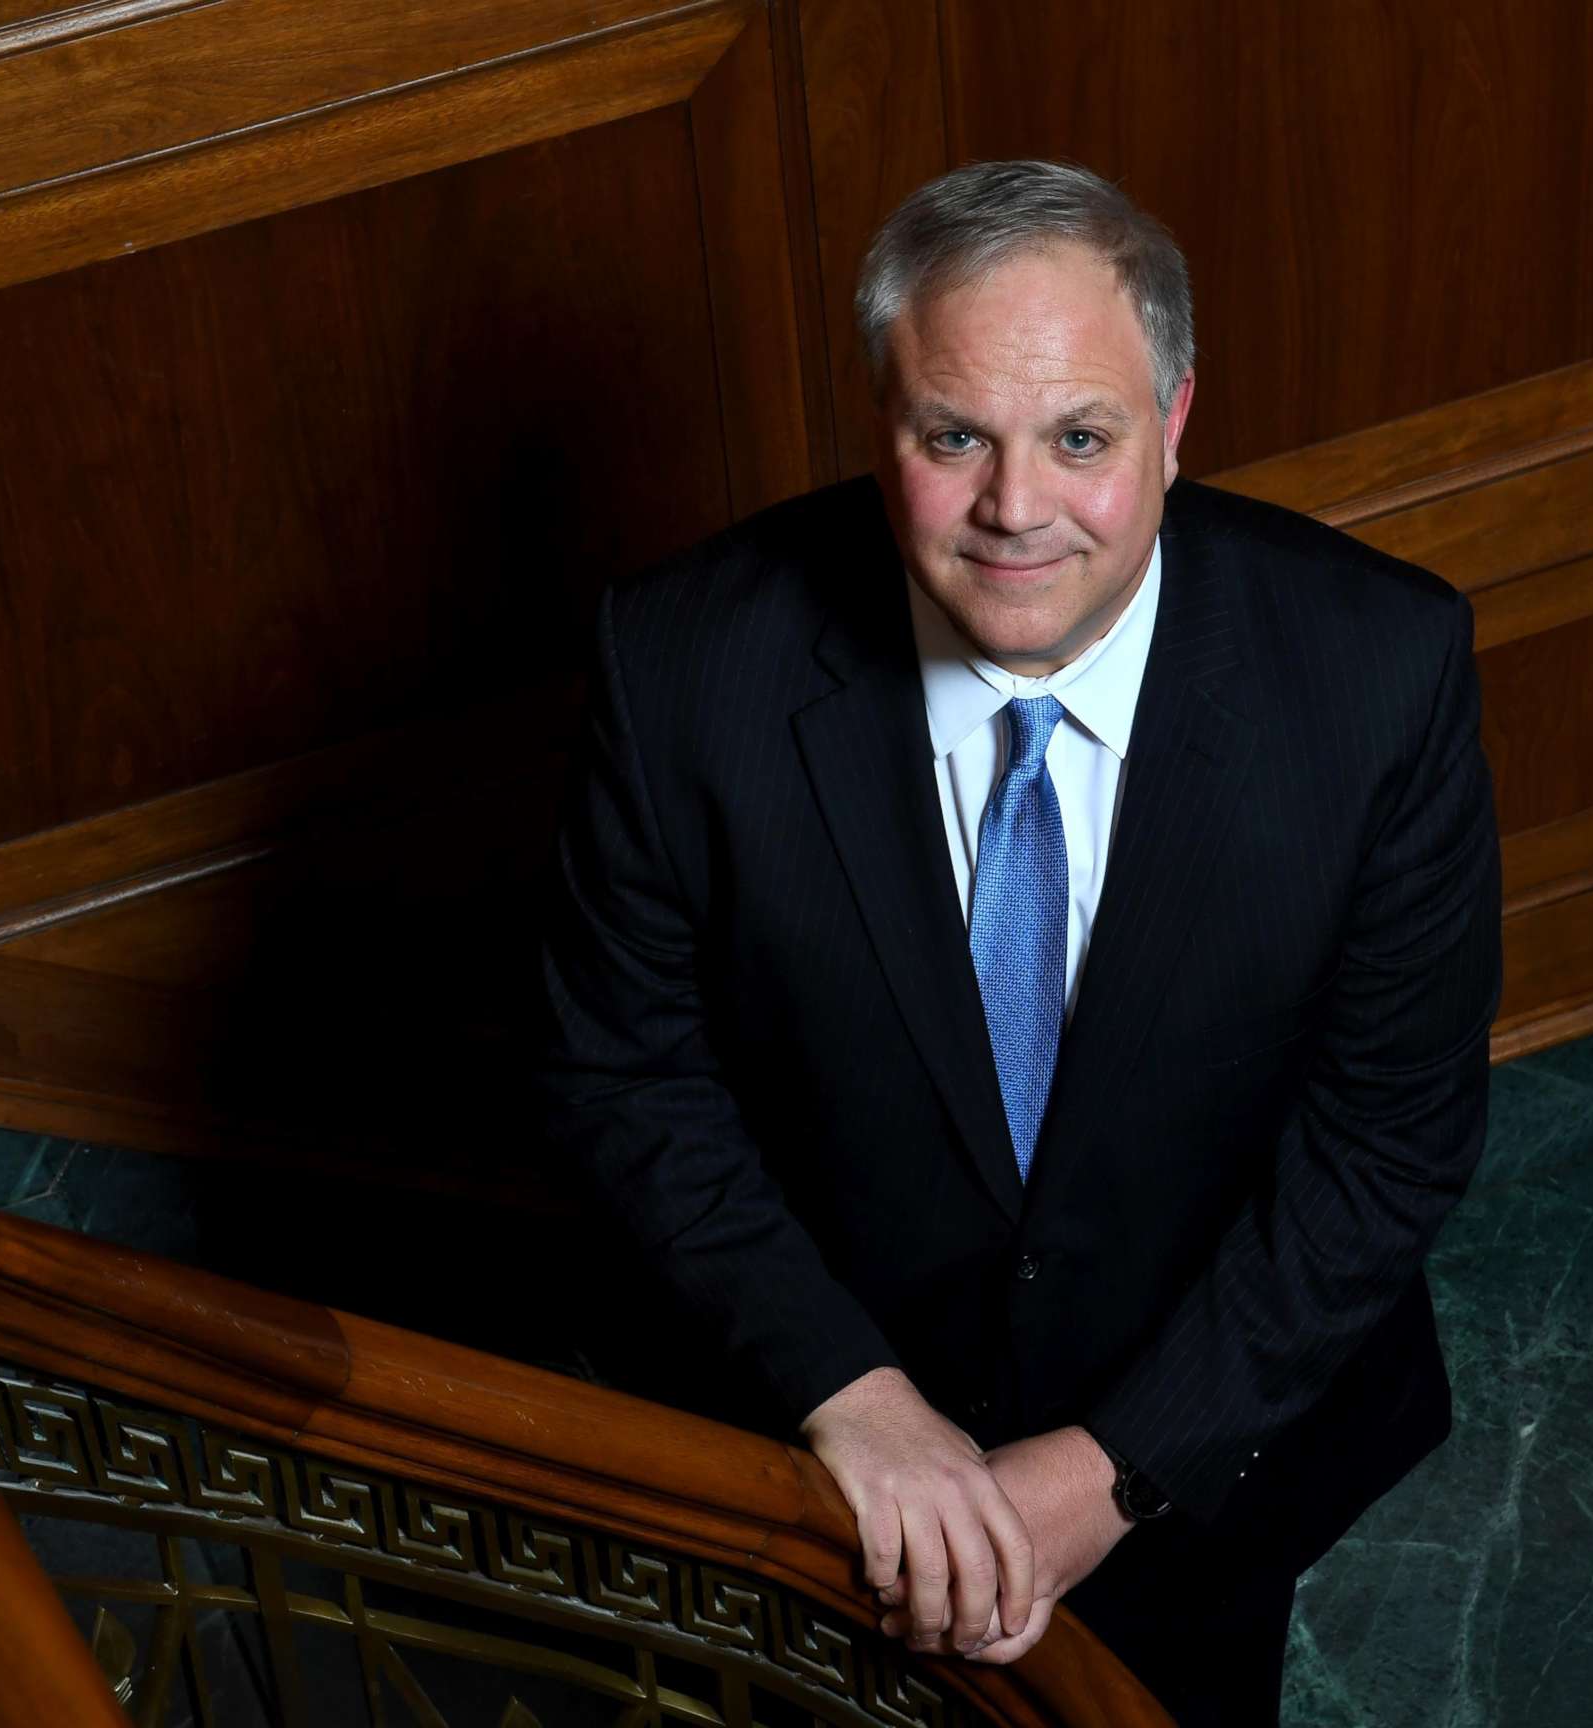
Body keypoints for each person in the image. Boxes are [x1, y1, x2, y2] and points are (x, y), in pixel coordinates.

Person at [537, 159, 1501, 1723]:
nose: (1016, 509)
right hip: (815, 1445)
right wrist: (847, 1394)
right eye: (952, 438)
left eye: (1080, 438)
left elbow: (1388, 1141)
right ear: (881, 424)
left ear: (1176, 421)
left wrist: (1117, 1470)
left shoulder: (1378, 673)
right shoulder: (681, 667)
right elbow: (622, 1076)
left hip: (1214, 1451)